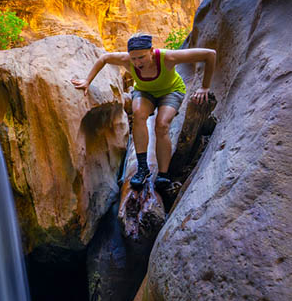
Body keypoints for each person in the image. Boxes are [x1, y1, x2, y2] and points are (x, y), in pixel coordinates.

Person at [71, 33, 216, 189]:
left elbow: (210, 54)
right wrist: (87, 81)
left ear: (152, 51)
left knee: (161, 125)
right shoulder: (126, 60)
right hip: (145, 92)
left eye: (141, 57)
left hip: (171, 91)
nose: (137, 63)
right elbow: (104, 58)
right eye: (133, 58)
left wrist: (205, 86)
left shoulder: (168, 57)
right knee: (139, 115)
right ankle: (142, 169)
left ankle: (163, 174)